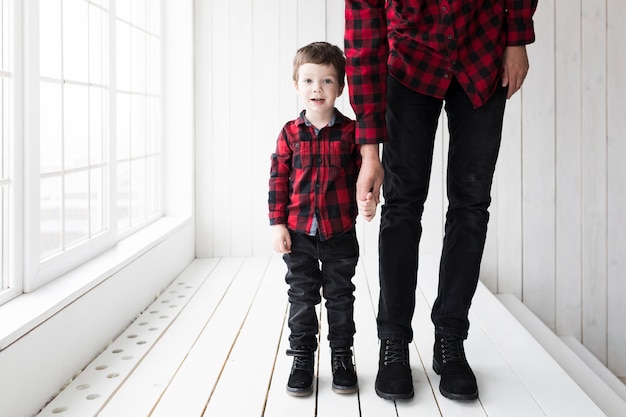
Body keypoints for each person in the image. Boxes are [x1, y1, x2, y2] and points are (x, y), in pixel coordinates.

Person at [344, 0, 538, 401]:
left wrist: (517, 39)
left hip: (482, 48)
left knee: (471, 203)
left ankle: (451, 339)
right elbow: (363, 39)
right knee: (401, 203)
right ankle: (393, 341)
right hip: (411, 62)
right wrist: (368, 153)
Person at [268, 41, 373, 397]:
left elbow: (364, 178)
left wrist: (369, 201)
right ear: (296, 85)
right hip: (298, 233)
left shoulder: (351, 132)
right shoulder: (289, 133)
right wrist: (278, 223)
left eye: (327, 81)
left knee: (341, 297)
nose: (317, 88)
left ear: (340, 87)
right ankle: (301, 357)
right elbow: (278, 180)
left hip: (339, 231)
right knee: (301, 295)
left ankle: (342, 356)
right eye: (309, 80)